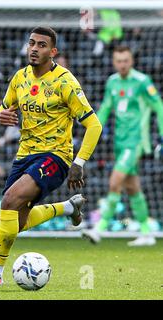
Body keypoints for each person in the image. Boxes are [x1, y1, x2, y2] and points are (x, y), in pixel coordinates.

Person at [0, 27, 102, 286]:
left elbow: (94, 125)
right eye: (31, 43)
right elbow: (2, 107)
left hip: (56, 156)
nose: (34, 48)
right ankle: (67, 207)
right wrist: (0, 115)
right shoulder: (20, 77)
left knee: (8, 201)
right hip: (24, 155)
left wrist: (78, 162)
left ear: (53, 51)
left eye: (41, 45)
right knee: (16, 222)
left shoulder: (65, 81)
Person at [81, 46, 163, 247]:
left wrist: (161, 135)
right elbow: (106, 107)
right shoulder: (112, 82)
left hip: (136, 141)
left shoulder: (142, 82)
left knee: (114, 181)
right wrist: (93, 129)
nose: (122, 64)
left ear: (132, 61)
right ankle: (146, 232)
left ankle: (99, 229)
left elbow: (159, 106)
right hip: (120, 142)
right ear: (113, 62)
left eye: (126, 60)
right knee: (132, 187)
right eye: (119, 61)